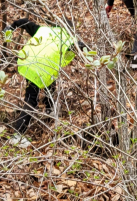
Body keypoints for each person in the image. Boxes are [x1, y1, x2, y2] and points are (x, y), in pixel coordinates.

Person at [6, 18, 83, 147]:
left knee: (51, 80)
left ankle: (50, 109)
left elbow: (25, 22)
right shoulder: (69, 39)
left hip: (27, 62)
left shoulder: (43, 30)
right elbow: (80, 48)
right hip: (41, 69)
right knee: (31, 100)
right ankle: (17, 135)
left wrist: (11, 26)